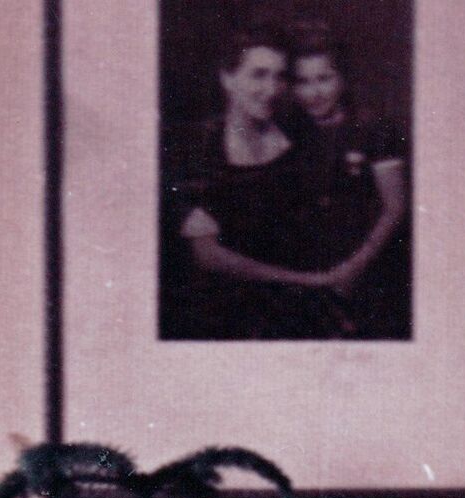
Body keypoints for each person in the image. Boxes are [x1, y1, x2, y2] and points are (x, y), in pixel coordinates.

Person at [166, 29, 352, 340]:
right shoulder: (197, 148)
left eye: (279, 77)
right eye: (258, 75)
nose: (272, 89)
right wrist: (312, 281)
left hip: (303, 306)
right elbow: (207, 256)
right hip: (228, 312)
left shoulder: (297, 135)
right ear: (227, 78)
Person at [285, 30, 410, 339]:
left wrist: (352, 269)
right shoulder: (289, 131)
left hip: (370, 272)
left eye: (323, 79)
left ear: (341, 79)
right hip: (311, 276)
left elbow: (395, 208)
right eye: (303, 82)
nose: (314, 93)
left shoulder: (374, 128)